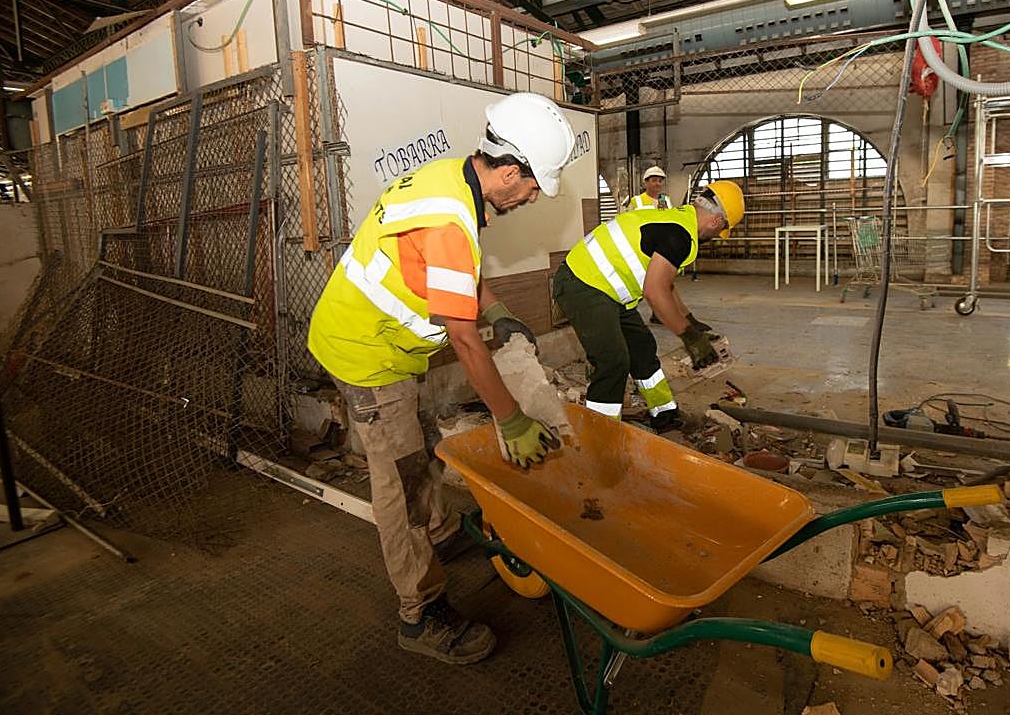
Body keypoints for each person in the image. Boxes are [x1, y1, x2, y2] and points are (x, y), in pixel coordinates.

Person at [307, 91, 576, 665]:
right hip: (366, 354)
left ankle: (443, 530)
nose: (530, 197)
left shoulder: (452, 176)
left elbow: (455, 271)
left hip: (378, 343)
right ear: (509, 170)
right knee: (400, 479)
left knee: (422, 445)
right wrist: (513, 419)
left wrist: (498, 308)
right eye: (532, 186)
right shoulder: (454, 217)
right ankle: (420, 612)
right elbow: (464, 341)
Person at [552, 181, 744, 431]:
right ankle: (602, 435)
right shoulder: (681, 235)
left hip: (605, 289)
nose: (716, 237)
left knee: (642, 347)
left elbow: (666, 284)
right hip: (583, 284)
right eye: (721, 231)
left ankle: (664, 414)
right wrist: (689, 336)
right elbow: (655, 291)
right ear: (716, 222)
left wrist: (690, 320)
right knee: (613, 361)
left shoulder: (678, 220)